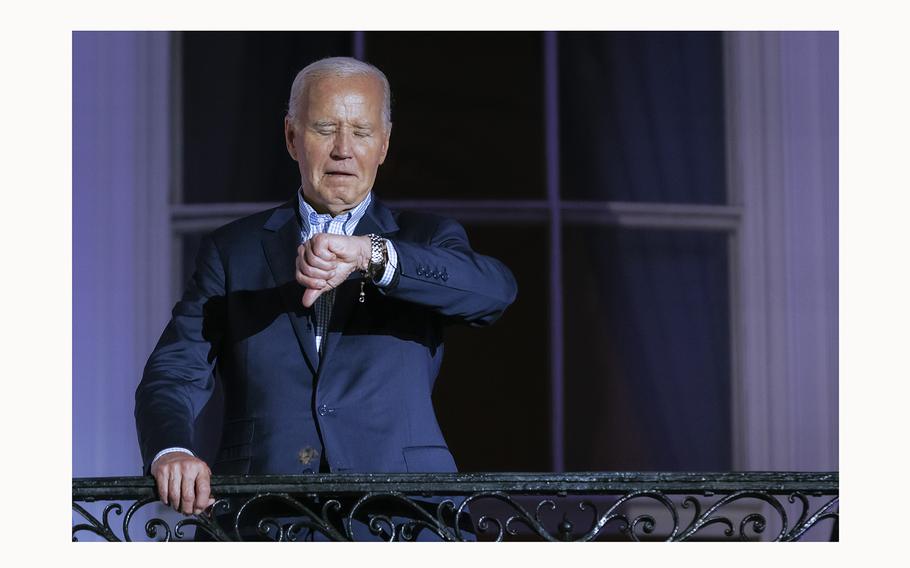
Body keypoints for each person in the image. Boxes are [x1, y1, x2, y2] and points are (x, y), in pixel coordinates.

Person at [134, 56, 517, 540]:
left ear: (384, 144)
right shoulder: (233, 250)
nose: (343, 150)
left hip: (406, 517)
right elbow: (173, 372)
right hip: (263, 517)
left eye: (361, 131)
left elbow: (493, 292)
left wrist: (370, 255)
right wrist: (171, 451)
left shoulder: (426, 237)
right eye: (324, 128)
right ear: (292, 137)